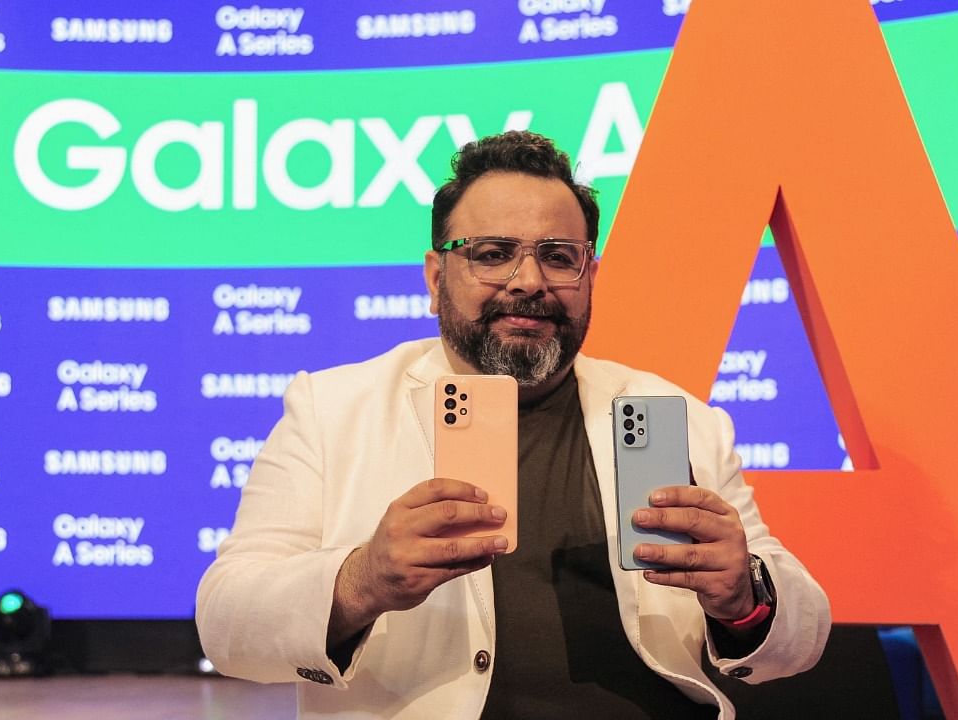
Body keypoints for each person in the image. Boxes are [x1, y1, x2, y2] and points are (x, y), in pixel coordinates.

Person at [196, 131, 830, 719]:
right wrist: (361, 581)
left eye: (558, 257)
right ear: (436, 275)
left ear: (591, 276)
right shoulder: (333, 409)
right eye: (493, 254)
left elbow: (800, 633)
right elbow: (226, 625)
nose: (529, 282)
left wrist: (745, 598)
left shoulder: (676, 415)